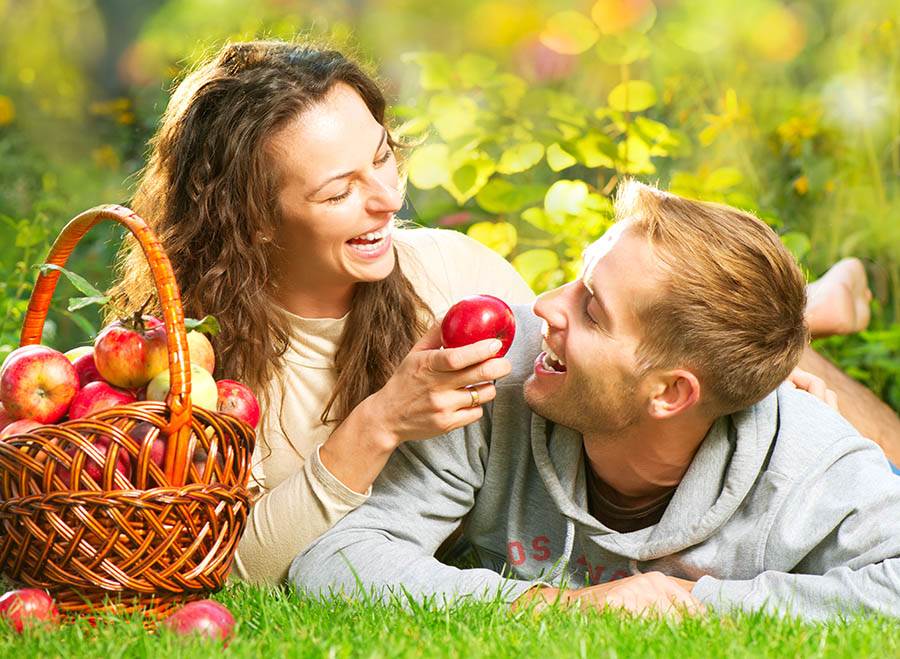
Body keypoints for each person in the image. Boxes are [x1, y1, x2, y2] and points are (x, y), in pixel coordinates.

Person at [107, 39, 897, 586]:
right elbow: (222, 571)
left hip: (655, 372)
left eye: (382, 155)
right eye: (338, 190)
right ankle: (814, 305)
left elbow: (605, 370)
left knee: (745, 346)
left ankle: (806, 315)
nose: (389, 199)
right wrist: (379, 422)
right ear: (252, 219)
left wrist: (771, 414)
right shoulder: (194, 366)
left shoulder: (453, 277)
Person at [292, 181, 900, 620]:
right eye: (578, 276)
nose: (543, 306)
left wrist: (690, 605)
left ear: (668, 393)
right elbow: (334, 561)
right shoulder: (501, 374)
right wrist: (547, 604)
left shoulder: (808, 457)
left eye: (591, 308)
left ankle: (826, 306)